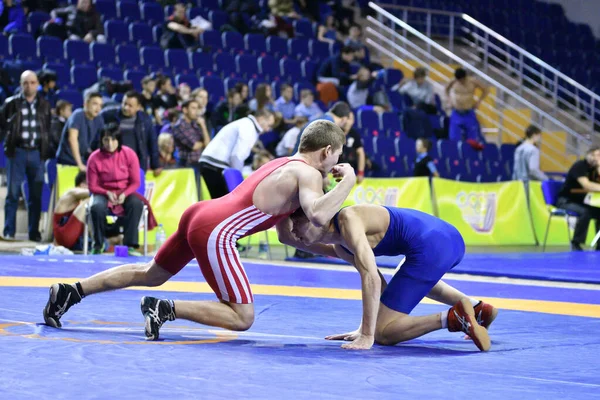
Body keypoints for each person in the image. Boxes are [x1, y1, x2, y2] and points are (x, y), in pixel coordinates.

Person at [43, 120, 357, 343]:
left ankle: (71, 291)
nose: (337, 163)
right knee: (242, 317)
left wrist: (342, 255)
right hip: (216, 231)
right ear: (327, 150)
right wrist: (349, 181)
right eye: (338, 156)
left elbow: (289, 236)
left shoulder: (283, 164)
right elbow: (317, 215)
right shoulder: (309, 174)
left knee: (151, 272)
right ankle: (164, 308)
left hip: (200, 213)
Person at [278, 205, 497, 351]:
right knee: (410, 280)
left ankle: (454, 317)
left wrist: (368, 333)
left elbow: (371, 277)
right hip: (447, 238)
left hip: (434, 246)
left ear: (317, 220)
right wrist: (364, 327)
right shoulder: (342, 245)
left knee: (384, 333)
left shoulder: (348, 220)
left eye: (297, 223)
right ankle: (478, 309)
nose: (293, 230)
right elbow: (381, 287)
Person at [1, 70, 52, 241]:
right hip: (17, 152)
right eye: (25, 82)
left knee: (35, 195)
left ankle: (34, 233)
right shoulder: (11, 103)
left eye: (32, 82)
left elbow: (47, 129)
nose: (29, 86)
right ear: (20, 84)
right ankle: (9, 232)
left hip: (37, 153)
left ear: (37, 84)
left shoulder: (44, 105)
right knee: (13, 194)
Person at [86, 124, 147, 255]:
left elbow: (136, 182)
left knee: (136, 204)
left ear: (119, 140)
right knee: (96, 207)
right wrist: (107, 193)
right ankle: (98, 244)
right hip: (103, 192)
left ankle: (130, 245)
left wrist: (124, 194)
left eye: (113, 140)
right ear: (101, 140)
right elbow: (92, 186)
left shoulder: (129, 154)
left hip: (125, 191)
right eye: (106, 140)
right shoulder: (94, 158)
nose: (110, 143)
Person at [199, 109, 275, 199]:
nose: (268, 129)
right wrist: (239, 182)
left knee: (221, 202)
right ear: (262, 118)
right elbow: (237, 156)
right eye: (268, 125)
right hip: (215, 165)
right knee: (224, 204)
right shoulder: (249, 127)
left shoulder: (245, 123)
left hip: (211, 163)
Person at [100, 91, 161, 175]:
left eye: (130, 106)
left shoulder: (145, 120)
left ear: (138, 107)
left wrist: (156, 165)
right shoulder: (109, 116)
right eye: (124, 103)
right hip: (113, 165)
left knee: (137, 187)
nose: (125, 108)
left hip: (137, 165)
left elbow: (152, 142)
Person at [556, 146, 600, 251]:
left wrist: (599, 167)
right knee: (585, 212)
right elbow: (586, 185)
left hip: (580, 201)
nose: (597, 158)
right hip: (566, 200)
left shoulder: (593, 169)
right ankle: (576, 243)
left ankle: (599, 244)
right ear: (589, 155)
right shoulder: (579, 166)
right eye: (596, 155)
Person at [56, 92, 104, 172]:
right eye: (95, 104)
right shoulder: (77, 115)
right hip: (66, 160)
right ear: (85, 104)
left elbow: (101, 141)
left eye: (100, 105)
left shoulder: (99, 119)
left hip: (82, 158)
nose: (98, 108)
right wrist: (80, 164)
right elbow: (72, 139)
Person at [445, 68, 488, 142]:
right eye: (459, 80)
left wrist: (478, 102)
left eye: (462, 80)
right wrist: (449, 101)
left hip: (469, 112)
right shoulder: (453, 81)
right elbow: (446, 89)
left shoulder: (473, 81)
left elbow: (485, 90)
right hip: (456, 112)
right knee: (453, 138)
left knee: (472, 139)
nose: (460, 82)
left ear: (465, 77)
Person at [52, 171, 89, 250]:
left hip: (75, 239)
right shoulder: (71, 192)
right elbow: (91, 192)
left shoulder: (79, 201)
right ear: (82, 185)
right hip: (63, 236)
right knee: (90, 201)